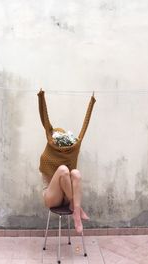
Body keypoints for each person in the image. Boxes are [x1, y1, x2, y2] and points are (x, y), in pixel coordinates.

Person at [38, 89, 96, 234]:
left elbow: (84, 127)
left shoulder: (71, 151)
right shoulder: (49, 149)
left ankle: (75, 212)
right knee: (64, 170)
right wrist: (41, 98)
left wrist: (91, 103)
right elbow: (45, 120)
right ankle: (77, 209)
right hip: (51, 197)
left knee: (75, 173)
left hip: (66, 194)